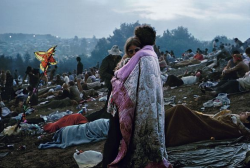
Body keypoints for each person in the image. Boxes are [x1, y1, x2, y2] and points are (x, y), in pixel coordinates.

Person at [103, 25, 171, 168]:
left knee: (120, 137)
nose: (134, 53)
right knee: (114, 136)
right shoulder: (150, 56)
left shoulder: (142, 57)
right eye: (130, 51)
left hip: (130, 102)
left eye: (136, 50)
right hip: (123, 102)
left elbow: (121, 75)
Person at [165, 105, 250, 147]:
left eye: (245, 114)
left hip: (206, 125)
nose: (242, 112)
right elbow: (213, 117)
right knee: (180, 111)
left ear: (246, 121)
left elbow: (216, 127)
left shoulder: (236, 127)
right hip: (206, 120)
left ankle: (167, 132)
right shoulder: (234, 119)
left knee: (179, 110)